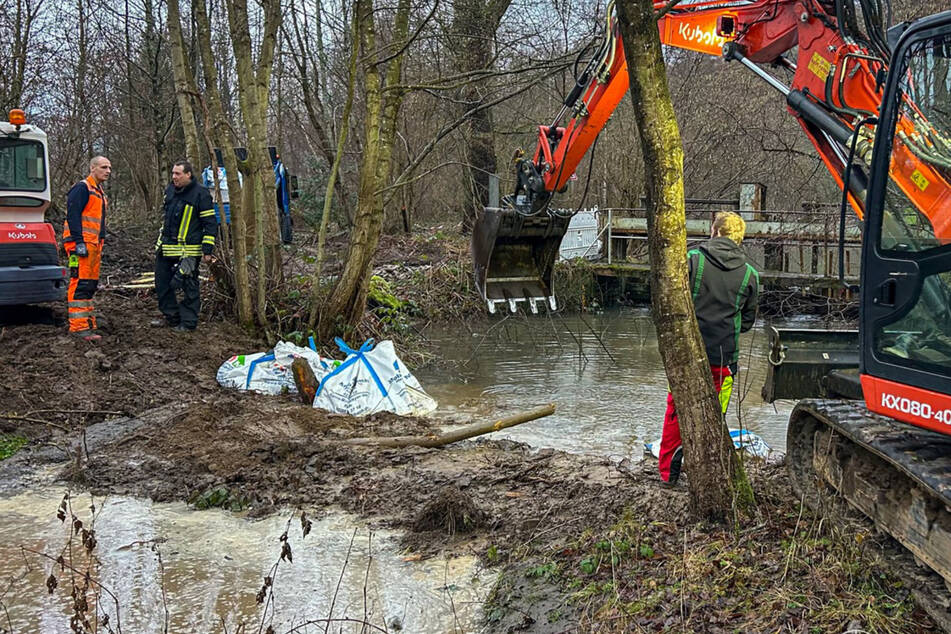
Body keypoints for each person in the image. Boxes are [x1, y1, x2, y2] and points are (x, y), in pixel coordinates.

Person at [658, 211, 759, 484]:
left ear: (714, 232)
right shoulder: (750, 274)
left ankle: (669, 473)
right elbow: (748, 321)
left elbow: (672, 300)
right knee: (716, 415)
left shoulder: (692, 260)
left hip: (687, 352)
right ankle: (707, 474)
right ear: (740, 238)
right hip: (724, 358)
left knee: (675, 411)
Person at [154, 160, 217, 331]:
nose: (174, 177)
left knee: (189, 286)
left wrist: (207, 250)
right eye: (173, 173)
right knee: (162, 284)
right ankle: (172, 317)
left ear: (188, 174)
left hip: (188, 251)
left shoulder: (201, 193)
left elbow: (210, 223)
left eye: (178, 174)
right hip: (166, 247)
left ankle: (188, 323)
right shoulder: (170, 190)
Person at [63, 156, 112, 341]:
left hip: (93, 244)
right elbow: (73, 215)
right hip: (81, 244)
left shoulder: (98, 192)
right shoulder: (82, 188)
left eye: (109, 168)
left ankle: (87, 322)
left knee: (89, 284)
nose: (108, 171)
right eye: (104, 167)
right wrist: (79, 242)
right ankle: (79, 327)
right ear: (92, 168)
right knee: (80, 282)